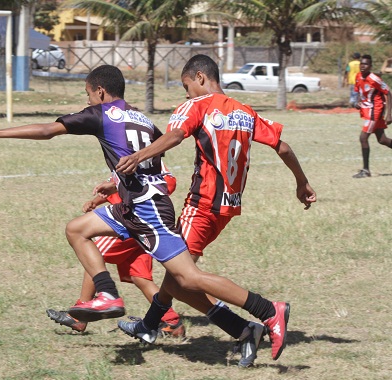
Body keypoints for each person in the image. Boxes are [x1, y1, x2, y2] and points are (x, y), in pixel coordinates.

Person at [0, 64, 310, 363]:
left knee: (186, 278)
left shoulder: (103, 113)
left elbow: (47, 131)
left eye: (88, 94)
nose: (87, 101)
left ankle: (266, 311)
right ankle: (108, 295)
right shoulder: (143, 119)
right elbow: (149, 162)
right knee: (77, 229)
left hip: (149, 209)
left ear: (100, 92)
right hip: (132, 204)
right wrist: (114, 183)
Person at [114, 54, 317, 362]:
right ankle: (150, 324)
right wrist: (301, 183)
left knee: (184, 278)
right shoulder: (245, 111)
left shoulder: (198, 105)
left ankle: (264, 313)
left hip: (202, 203)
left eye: (186, 85)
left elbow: (175, 135)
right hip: (227, 207)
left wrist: (140, 156)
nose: (186, 93)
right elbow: (283, 147)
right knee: (176, 273)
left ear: (199, 77)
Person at [46, 163, 186, 338]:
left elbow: (169, 182)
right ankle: (172, 322)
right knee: (140, 277)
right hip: (136, 223)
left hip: (128, 221)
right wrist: (96, 201)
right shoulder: (122, 152)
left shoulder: (146, 152)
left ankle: (78, 316)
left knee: (94, 257)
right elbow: (117, 184)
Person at [352, 54, 392, 178]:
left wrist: (389, 114)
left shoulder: (374, 79)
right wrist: (358, 102)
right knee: (382, 140)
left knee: (363, 138)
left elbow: (388, 93)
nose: (363, 66)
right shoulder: (358, 76)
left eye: (366, 64)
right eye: (361, 64)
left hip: (375, 112)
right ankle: (365, 170)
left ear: (370, 66)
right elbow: (359, 92)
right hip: (367, 110)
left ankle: (366, 170)